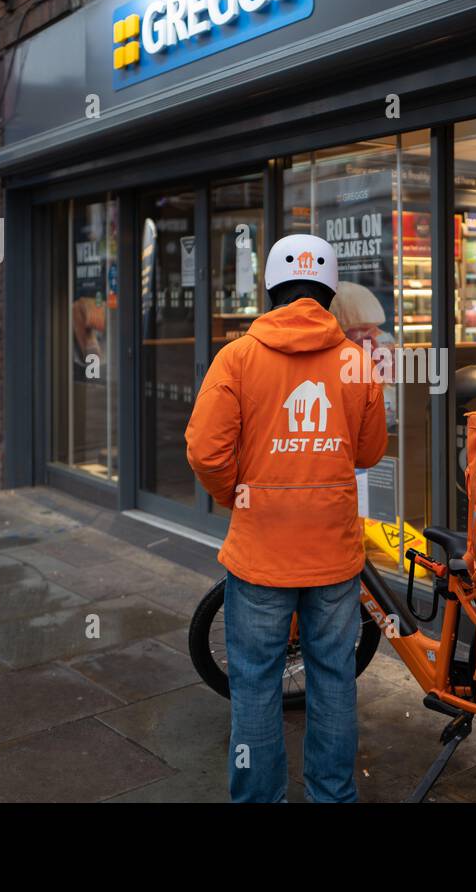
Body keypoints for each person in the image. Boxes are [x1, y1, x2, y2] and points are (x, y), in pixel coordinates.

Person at [185, 233, 387, 803]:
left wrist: (240, 496)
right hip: (333, 554)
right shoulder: (354, 362)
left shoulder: (238, 357)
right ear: (328, 292)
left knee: (254, 685)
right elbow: (368, 452)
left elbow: (205, 451)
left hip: (259, 555)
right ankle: (333, 794)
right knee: (334, 680)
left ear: (271, 287)